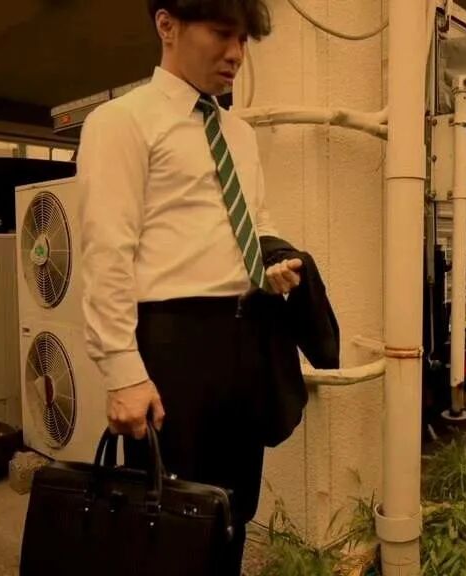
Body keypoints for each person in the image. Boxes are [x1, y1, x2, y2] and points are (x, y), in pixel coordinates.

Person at [76, 1, 305, 572]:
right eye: (223, 34)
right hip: (173, 347)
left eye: (244, 40)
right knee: (170, 519)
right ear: (167, 25)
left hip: (244, 340)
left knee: (232, 510)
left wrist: (272, 264)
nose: (236, 54)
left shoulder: (239, 133)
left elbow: (254, 222)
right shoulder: (122, 122)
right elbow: (107, 252)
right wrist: (123, 372)